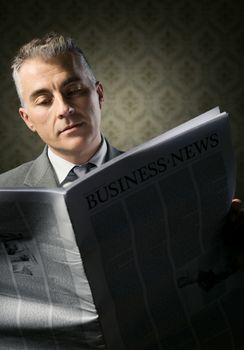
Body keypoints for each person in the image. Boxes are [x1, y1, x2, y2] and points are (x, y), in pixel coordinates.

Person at [0, 33, 243, 349]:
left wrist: (231, 241)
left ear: (98, 95)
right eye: (44, 100)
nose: (63, 109)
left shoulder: (168, 181)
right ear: (28, 118)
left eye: (74, 90)